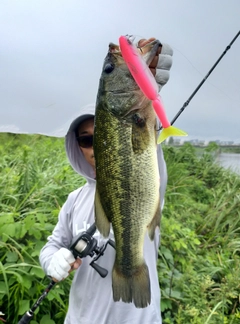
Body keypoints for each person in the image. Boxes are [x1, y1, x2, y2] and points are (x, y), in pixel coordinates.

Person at [39, 38, 173, 324]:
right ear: (77, 147)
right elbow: (52, 245)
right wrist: (52, 261)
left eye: (98, 136)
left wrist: (150, 83)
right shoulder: (75, 200)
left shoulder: (146, 160)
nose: (93, 147)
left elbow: (148, 139)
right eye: (85, 140)